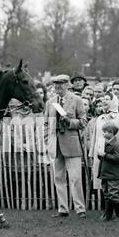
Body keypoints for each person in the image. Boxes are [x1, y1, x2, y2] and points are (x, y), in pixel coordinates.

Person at [45, 74, 87, 219]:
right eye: (56, 84)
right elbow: (46, 124)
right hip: (55, 144)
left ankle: (80, 209)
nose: (58, 86)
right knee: (58, 178)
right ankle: (63, 209)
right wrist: (47, 141)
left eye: (61, 83)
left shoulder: (76, 100)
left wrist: (69, 121)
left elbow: (83, 121)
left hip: (71, 143)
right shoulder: (50, 102)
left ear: (68, 84)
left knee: (75, 178)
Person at [97, 122, 119, 221]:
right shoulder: (106, 143)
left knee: (113, 194)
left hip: (113, 174)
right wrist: (100, 154)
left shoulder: (116, 145)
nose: (103, 134)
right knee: (107, 194)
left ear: (112, 132)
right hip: (106, 173)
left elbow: (118, 158)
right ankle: (108, 215)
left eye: (105, 132)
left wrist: (105, 155)